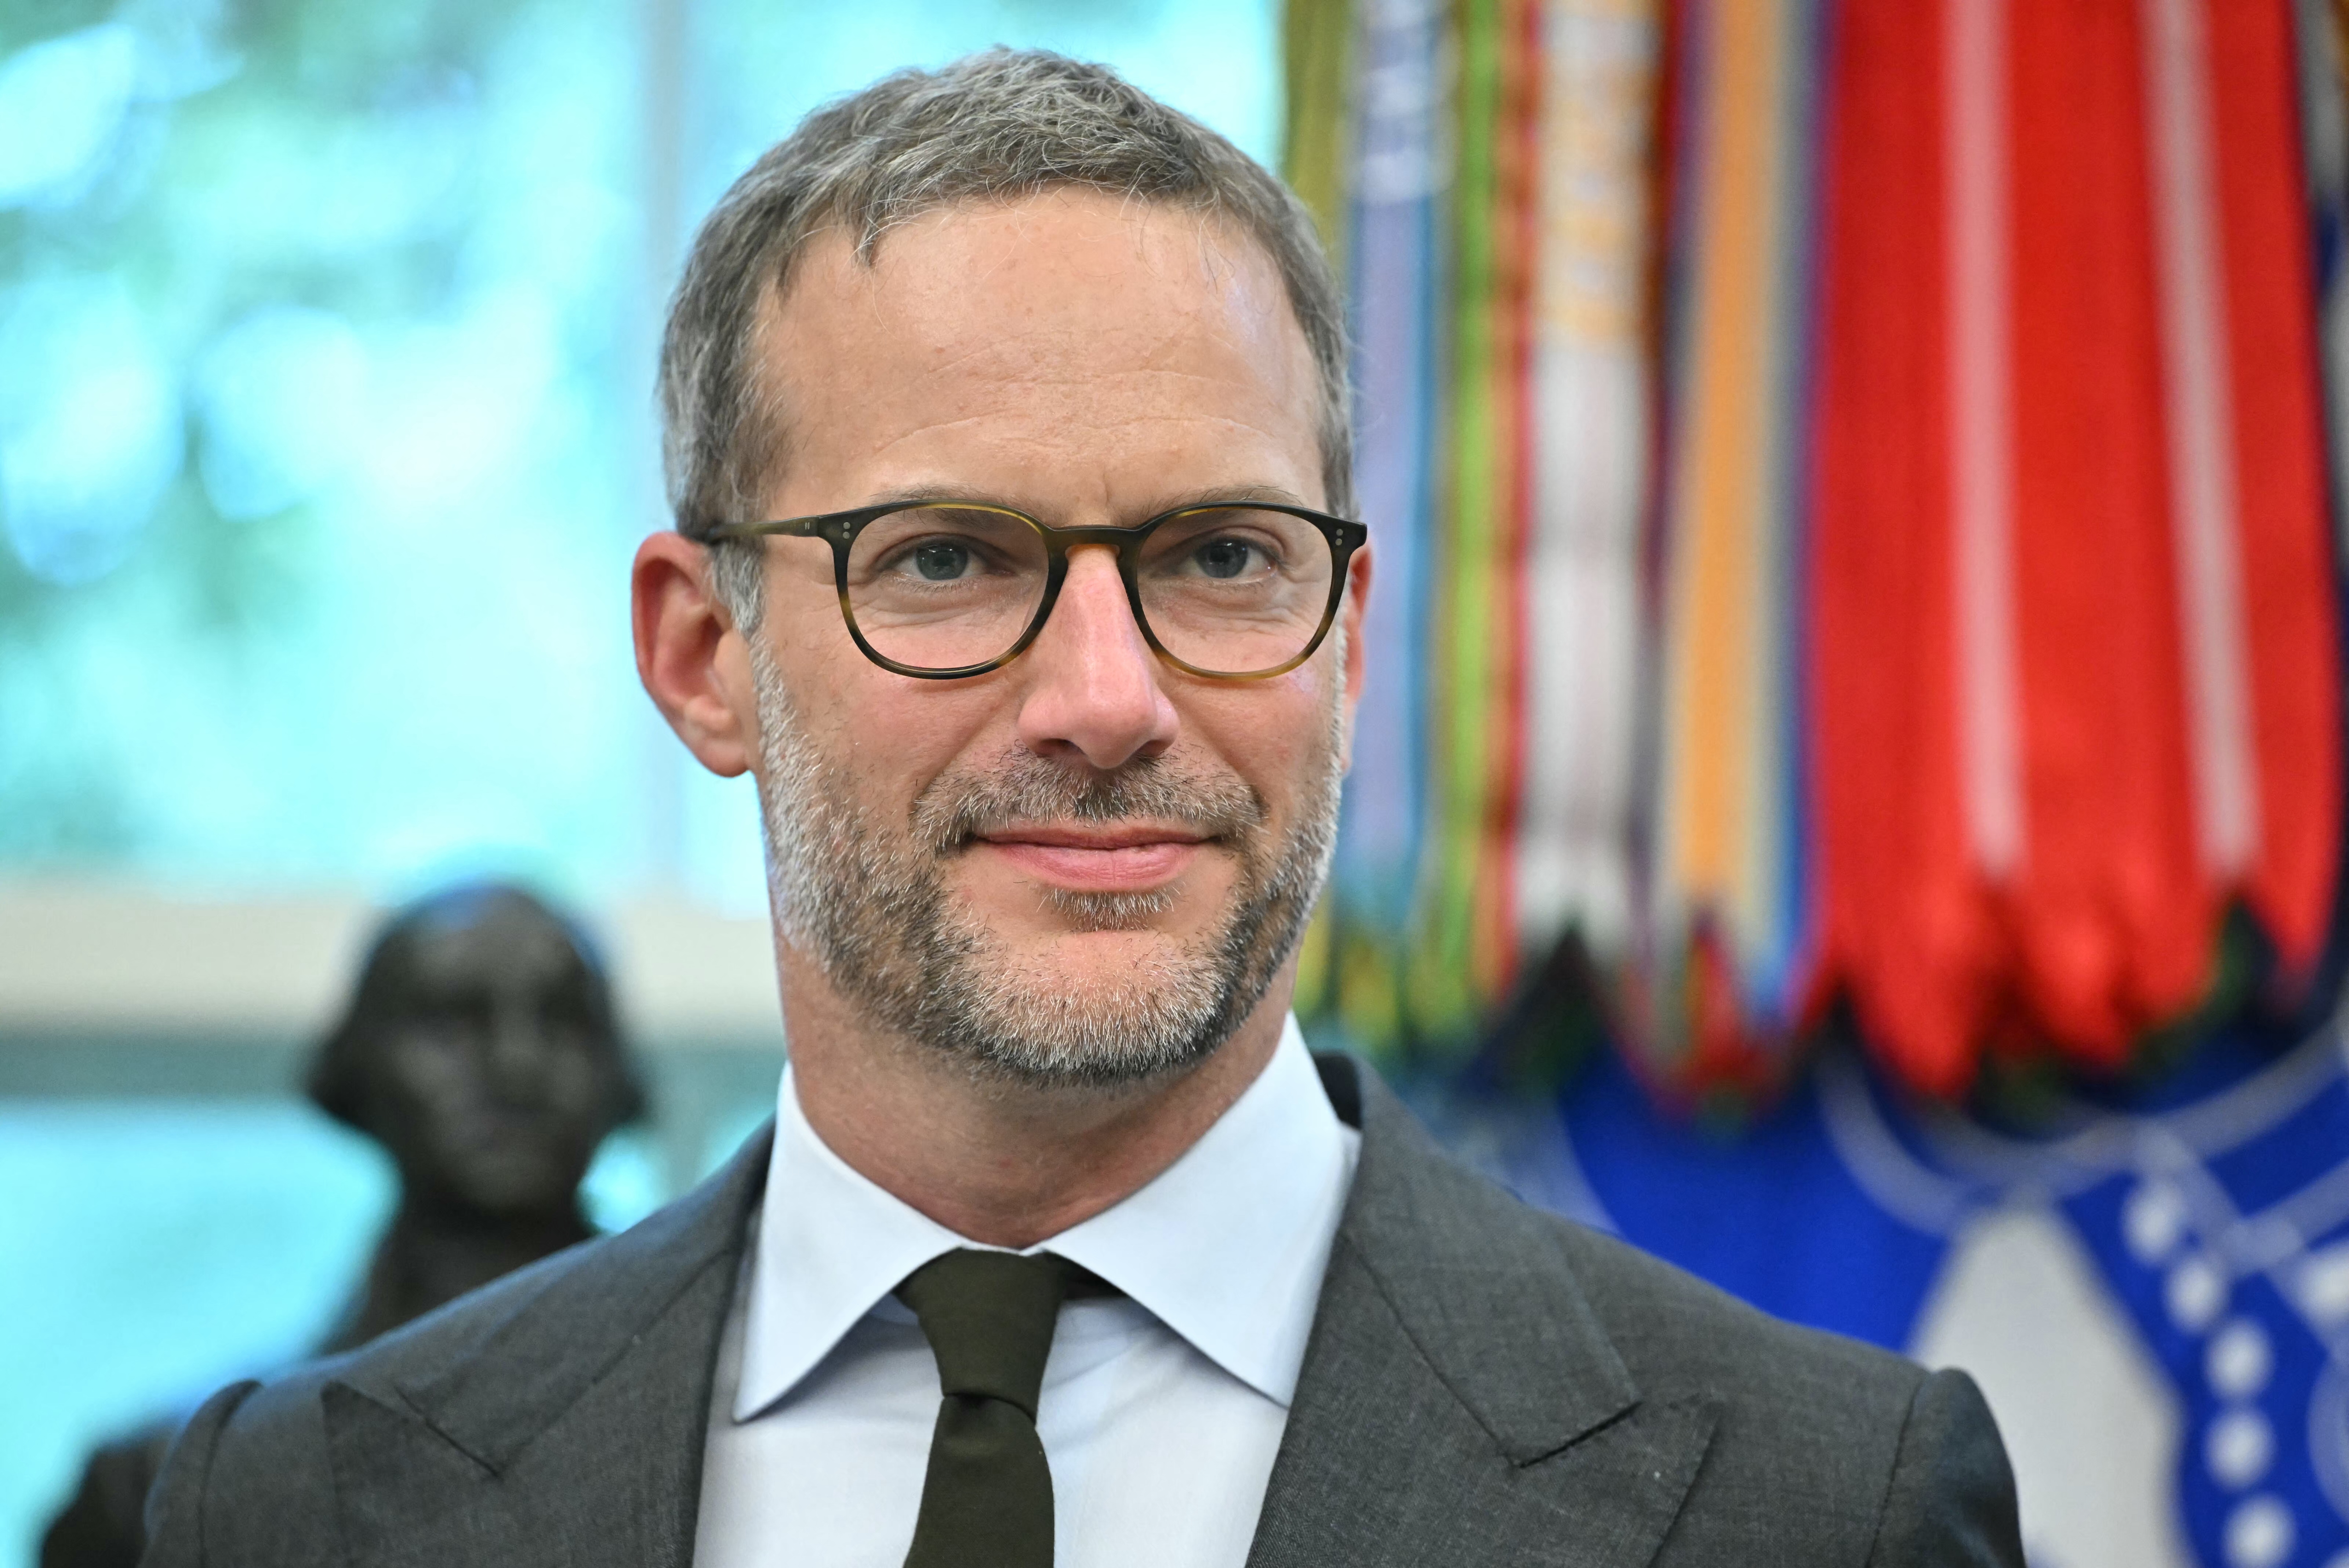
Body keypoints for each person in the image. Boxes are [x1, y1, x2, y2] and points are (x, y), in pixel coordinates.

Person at [144, 51, 2023, 1567]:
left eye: (1221, 556)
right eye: (948, 558)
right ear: (705, 656)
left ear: (1347, 639)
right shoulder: (301, 1513)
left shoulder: (1820, 1507)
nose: (1110, 702)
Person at [41, 883, 642, 1568]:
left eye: (564, 1021)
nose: (517, 1065)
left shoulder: (716, 1428)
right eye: (448, 1023)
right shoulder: (159, 1486)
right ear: (354, 1070)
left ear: (623, 1077)